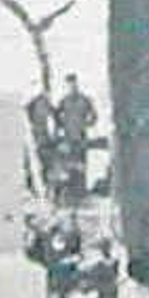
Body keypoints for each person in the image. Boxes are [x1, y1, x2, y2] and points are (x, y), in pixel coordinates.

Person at [54, 74, 98, 204]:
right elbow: (56, 116)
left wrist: (86, 124)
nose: (71, 87)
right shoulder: (64, 101)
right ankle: (71, 192)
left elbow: (94, 116)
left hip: (81, 137)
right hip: (68, 137)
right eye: (69, 85)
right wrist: (62, 126)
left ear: (77, 84)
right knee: (69, 164)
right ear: (66, 86)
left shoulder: (85, 100)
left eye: (73, 84)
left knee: (82, 164)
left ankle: (81, 191)